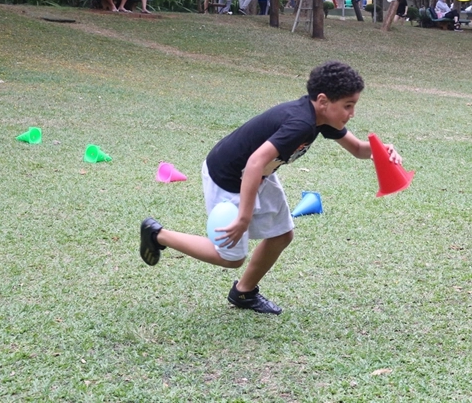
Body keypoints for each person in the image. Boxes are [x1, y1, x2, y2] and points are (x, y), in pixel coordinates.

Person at [138, 61, 403, 314]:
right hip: (229, 176)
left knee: (282, 234)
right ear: (323, 101)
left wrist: (381, 151)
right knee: (230, 257)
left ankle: (244, 292)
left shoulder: (321, 119)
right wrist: (243, 217)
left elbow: (358, 149)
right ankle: (157, 234)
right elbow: (254, 162)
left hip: (260, 174)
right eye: (348, 106)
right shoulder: (300, 123)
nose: (352, 113)